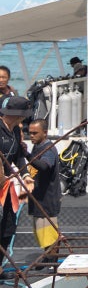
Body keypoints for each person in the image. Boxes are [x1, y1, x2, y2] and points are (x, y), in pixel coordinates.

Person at [0, 95, 35, 271]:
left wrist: (26, 175)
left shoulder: (14, 131)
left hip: (5, 185)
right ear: (18, 114)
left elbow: (19, 156)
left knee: (8, 226)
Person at [26, 119, 62, 257]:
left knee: (49, 235)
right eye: (30, 133)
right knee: (41, 233)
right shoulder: (36, 147)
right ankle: (48, 258)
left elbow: (44, 166)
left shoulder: (49, 149)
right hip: (38, 198)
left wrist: (26, 155)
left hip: (47, 201)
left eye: (35, 133)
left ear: (45, 133)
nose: (31, 136)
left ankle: (52, 261)